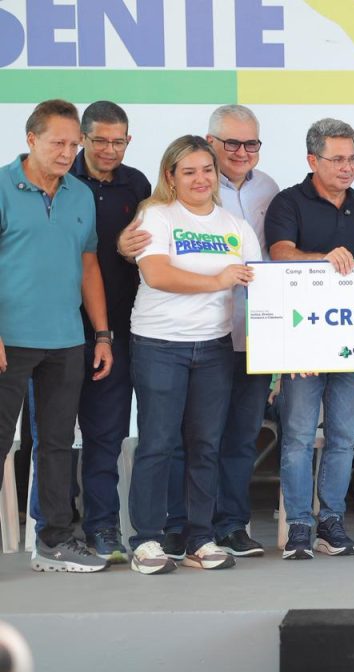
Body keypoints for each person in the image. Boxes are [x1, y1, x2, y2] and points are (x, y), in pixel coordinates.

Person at [120, 105, 279, 559]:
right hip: (159, 344)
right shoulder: (157, 215)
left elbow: (261, 291)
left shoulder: (236, 227)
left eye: (206, 170)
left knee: (206, 445)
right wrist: (218, 280)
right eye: (188, 171)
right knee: (158, 443)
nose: (200, 179)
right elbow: (156, 274)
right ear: (171, 177)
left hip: (213, 348)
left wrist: (283, 352)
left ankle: (199, 538)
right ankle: (147, 539)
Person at [0, 99, 112, 573]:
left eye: (74, 144)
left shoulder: (80, 195)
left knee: (58, 444)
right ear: (31, 139)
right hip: (9, 339)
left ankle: (54, 542)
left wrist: (102, 333)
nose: (68, 153)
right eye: (57, 143)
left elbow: (88, 265)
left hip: (66, 339)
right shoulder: (2, 186)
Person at [265, 118, 354, 561]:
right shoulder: (287, 202)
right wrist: (322, 260)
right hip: (301, 342)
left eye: (353, 158)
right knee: (297, 436)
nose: (348, 167)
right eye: (337, 159)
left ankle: (331, 522)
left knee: (343, 437)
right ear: (313, 160)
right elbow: (280, 254)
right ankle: (298, 525)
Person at [71, 101, 151, 564]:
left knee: (106, 434)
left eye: (118, 141)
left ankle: (102, 528)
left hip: (117, 330)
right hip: (60, 327)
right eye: (99, 140)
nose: (109, 150)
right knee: (53, 439)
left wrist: (126, 250)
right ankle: (55, 529)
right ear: (82, 138)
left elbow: (149, 249)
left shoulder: (137, 184)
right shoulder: (62, 180)